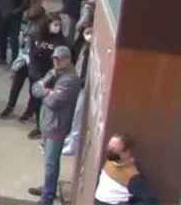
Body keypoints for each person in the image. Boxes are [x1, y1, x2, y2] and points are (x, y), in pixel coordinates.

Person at [27, 45, 81, 205]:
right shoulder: (53, 72)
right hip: (47, 122)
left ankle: (47, 197)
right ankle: (47, 188)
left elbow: (55, 102)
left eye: (58, 59)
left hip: (57, 126)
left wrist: (46, 92)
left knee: (51, 162)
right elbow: (35, 88)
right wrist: (48, 92)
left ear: (67, 60)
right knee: (48, 160)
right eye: (54, 59)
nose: (55, 62)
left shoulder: (71, 79)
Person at [93, 133, 159, 205]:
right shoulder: (110, 161)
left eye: (114, 150)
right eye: (109, 148)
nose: (109, 152)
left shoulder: (133, 176)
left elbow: (150, 200)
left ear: (126, 152)